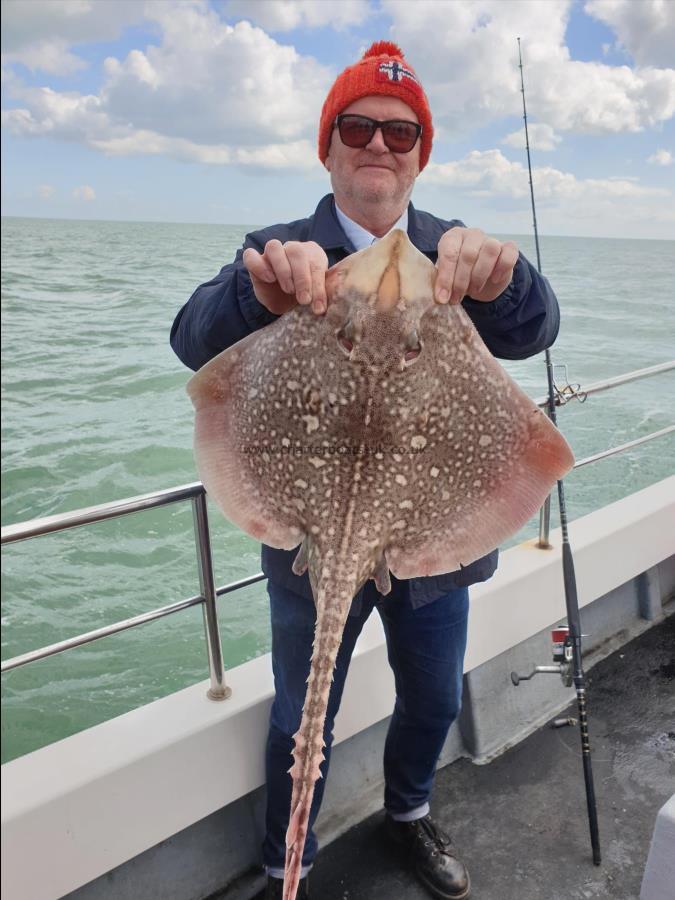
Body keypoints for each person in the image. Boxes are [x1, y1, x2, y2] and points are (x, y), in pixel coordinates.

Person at [171, 40, 559, 900]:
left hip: (433, 549)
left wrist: (505, 280)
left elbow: (536, 330)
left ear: (421, 153)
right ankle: (287, 863)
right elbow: (191, 341)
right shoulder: (275, 251)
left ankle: (409, 814)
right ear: (328, 144)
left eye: (400, 131)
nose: (377, 144)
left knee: (434, 704)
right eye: (357, 127)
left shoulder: (458, 255)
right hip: (307, 543)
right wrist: (259, 293)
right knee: (297, 713)